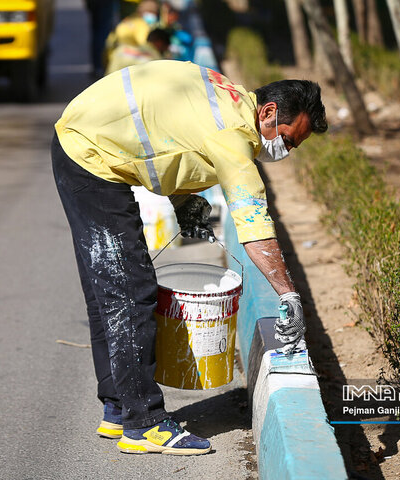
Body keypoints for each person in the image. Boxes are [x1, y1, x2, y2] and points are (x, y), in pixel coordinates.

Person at [51, 60, 327, 455]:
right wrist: (288, 295)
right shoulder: (233, 138)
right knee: (128, 292)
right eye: (287, 138)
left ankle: (118, 406)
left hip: (82, 138)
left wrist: (183, 199)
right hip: (89, 158)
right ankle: (143, 423)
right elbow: (255, 226)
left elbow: (163, 135)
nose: (285, 150)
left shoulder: (228, 96)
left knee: (109, 289)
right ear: (267, 112)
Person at [104, 28, 170, 75]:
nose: (164, 52)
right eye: (165, 48)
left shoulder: (121, 49)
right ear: (159, 43)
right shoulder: (156, 60)